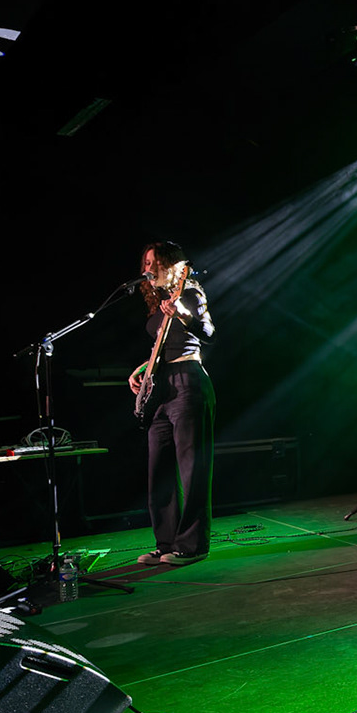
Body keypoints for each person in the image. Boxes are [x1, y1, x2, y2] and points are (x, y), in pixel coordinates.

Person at [127, 242, 216, 565]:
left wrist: (181, 312)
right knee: (159, 469)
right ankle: (165, 543)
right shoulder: (159, 302)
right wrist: (141, 370)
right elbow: (162, 345)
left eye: (154, 262)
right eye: (145, 263)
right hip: (161, 387)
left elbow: (208, 331)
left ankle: (192, 546)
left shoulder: (189, 292)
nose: (147, 269)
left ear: (171, 265)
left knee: (192, 469)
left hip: (187, 381)